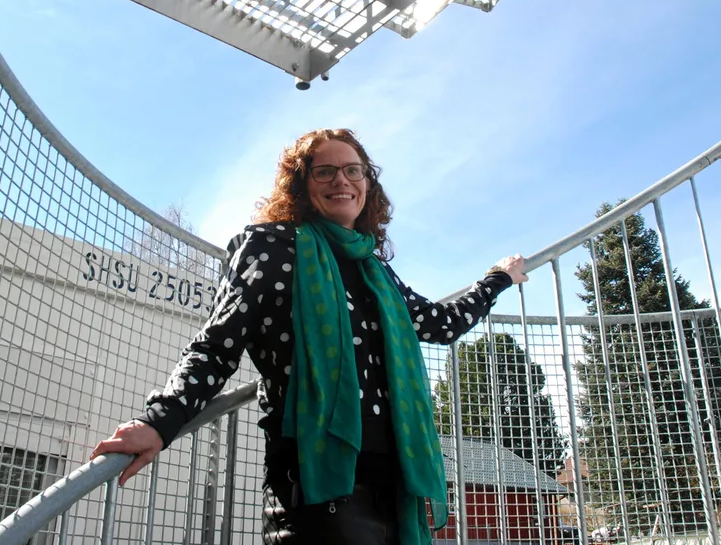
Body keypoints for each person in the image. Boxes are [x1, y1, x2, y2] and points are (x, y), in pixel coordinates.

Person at [91, 128, 528, 545]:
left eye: (353, 170)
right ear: (301, 185)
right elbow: (218, 344)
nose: (342, 180)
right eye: (325, 171)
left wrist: (498, 279)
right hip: (319, 486)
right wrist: (159, 420)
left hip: (396, 482)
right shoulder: (270, 247)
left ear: (368, 184)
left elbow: (442, 323)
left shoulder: (376, 272)